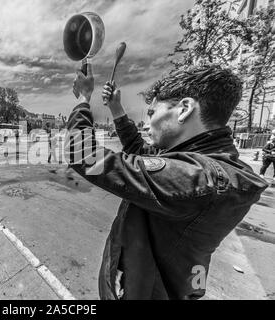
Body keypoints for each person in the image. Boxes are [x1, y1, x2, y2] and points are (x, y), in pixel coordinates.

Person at [66, 63, 268, 300]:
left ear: (184, 109)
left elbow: (82, 154)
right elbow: (140, 152)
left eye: (152, 113)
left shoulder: (195, 177)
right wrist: (117, 109)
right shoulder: (208, 163)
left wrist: (83, 99)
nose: (146, 123)